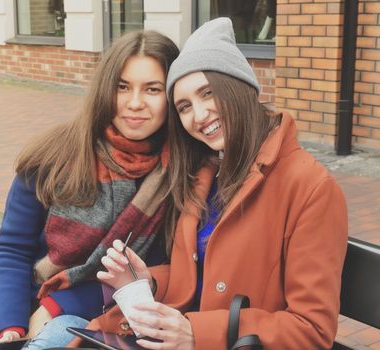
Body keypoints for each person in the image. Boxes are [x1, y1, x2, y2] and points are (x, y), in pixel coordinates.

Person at [93, 17, 348, 349]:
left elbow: (312, 328)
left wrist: (198, 333)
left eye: (208, 93)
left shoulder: (311, 188)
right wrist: (149, 283)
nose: (199, 115)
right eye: (184, 107)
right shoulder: (205, 174)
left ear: (240, 87)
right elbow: (201, 280)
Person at [0, 30, 179, 350]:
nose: (135, 103)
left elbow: (158, 272)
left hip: (106, 312)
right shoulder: (53, 157)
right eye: (122, 87)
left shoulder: (176, 177)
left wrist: (58, 306)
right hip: (17, 300)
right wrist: (9, 328)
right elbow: (12, 251)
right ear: (104, 90)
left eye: (152, 89)